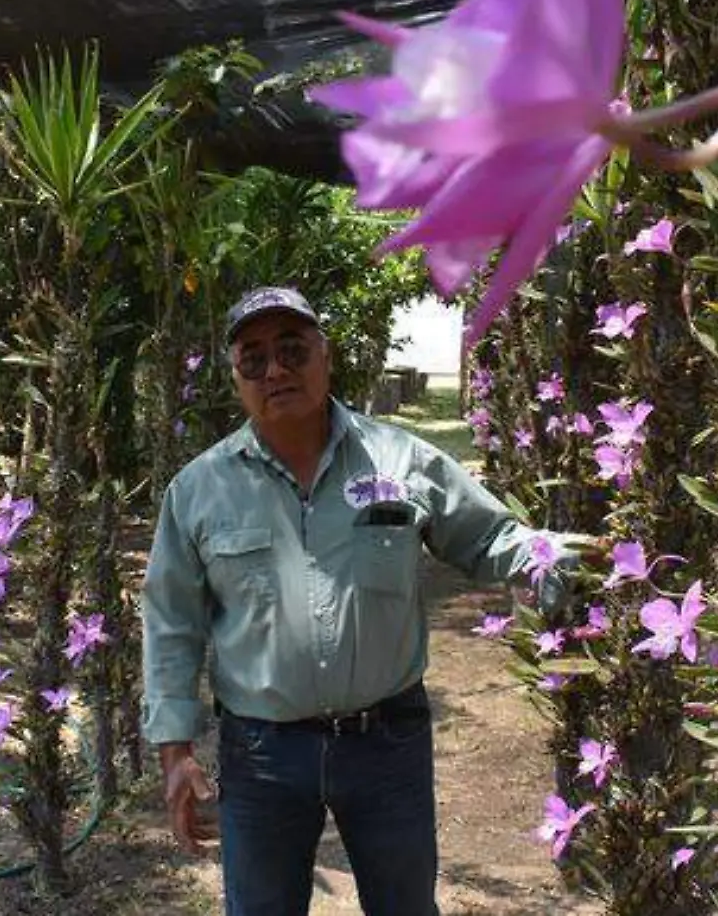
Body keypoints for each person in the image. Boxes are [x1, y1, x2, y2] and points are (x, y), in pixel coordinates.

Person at [142, 286, 580, 916]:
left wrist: (569, 561)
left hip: (386, 746)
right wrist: (175, 752)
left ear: (325, 355)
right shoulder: (198, 490)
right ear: (236, 377)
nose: (276, 371)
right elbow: (171, 626)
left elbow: (489, 537)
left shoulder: (402, 460)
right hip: (262, 753)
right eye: (253, 359)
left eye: (293, 350)